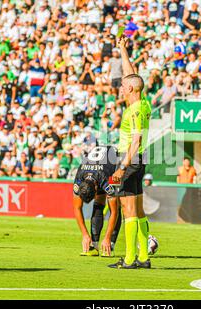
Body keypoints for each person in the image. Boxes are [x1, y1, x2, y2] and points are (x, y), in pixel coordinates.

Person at [108, 36, 152, 269]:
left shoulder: (134, 110)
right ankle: (143, 257)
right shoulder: (143, 102)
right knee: (139, 208)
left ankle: (128, 259)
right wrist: (123, 50)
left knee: (128, 210)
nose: (121, 87)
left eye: (124, 86)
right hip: (140, 160)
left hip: (130, 159)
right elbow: (132, 75)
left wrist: (122, 167)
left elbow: (136, 140)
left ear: (132, 89)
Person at [73, 145, 121, 257]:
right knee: (98, 204)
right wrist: (84, 234)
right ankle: (94, 246)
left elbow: (114, 212)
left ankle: (110, 245)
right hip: (97, 165)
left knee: (116, 206)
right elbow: (77, 207)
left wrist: (107, 237)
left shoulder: (106, 180)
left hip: (115, 162)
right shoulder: (79, 178)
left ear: (95, 188)